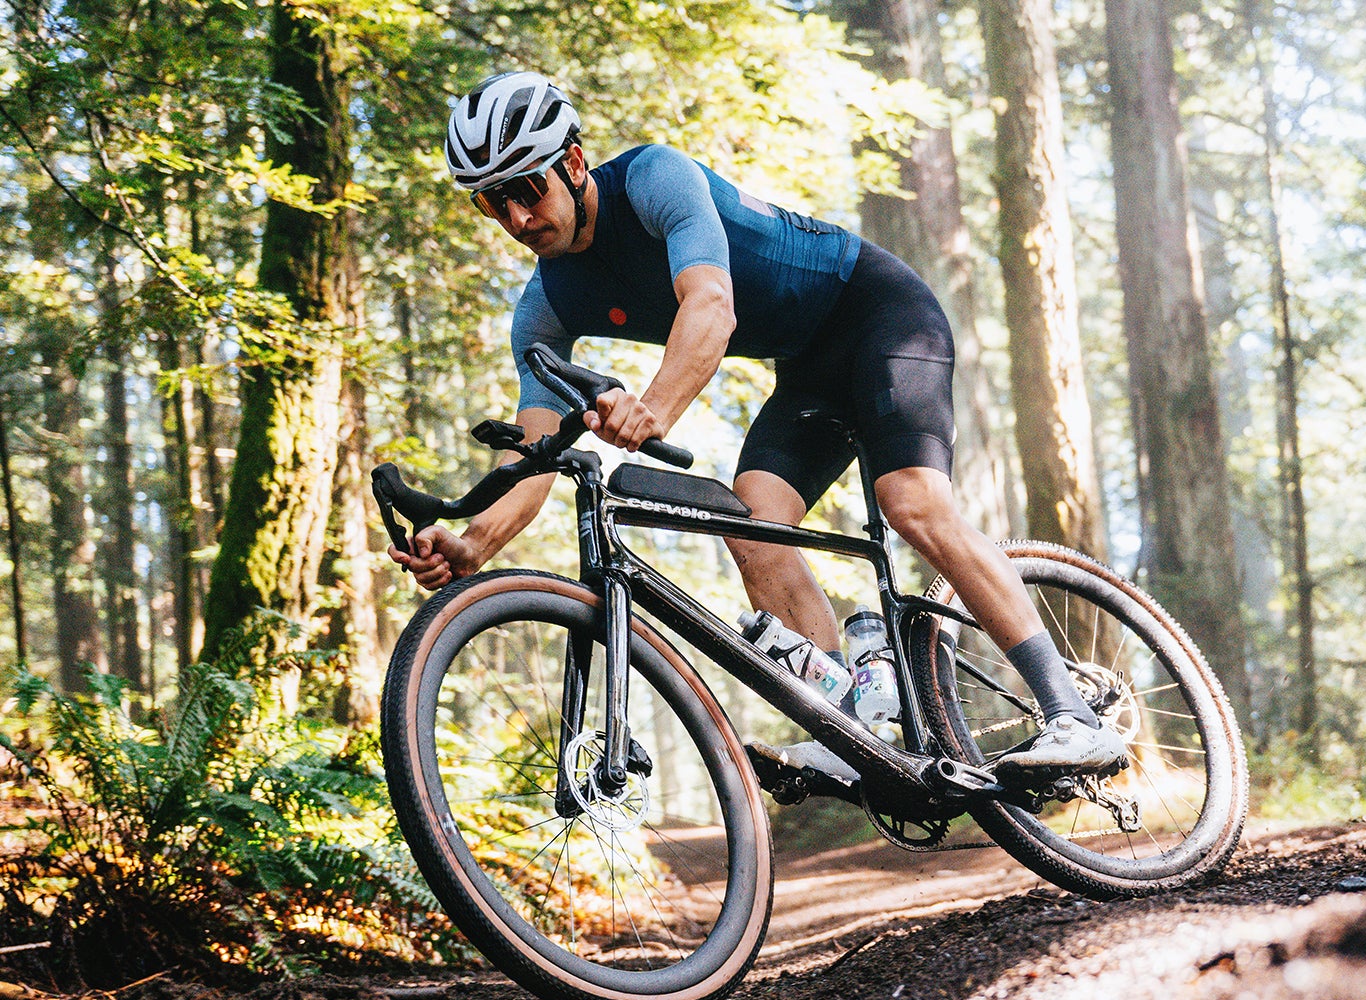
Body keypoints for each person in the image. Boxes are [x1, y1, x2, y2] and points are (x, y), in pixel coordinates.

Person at [391, 72, 1123, 783]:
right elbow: (536, 453)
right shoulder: (543, 307)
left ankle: (1073, 717)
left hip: (879, 312)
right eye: (494, 203)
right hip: (807, 366)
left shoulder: (652, 180)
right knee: (753, 525)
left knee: (912, 503)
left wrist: (653, 411)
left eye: (528, 190)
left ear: (573, 163)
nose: (518, 218)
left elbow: (710, 304)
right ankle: (856, 734)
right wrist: (473, 540)